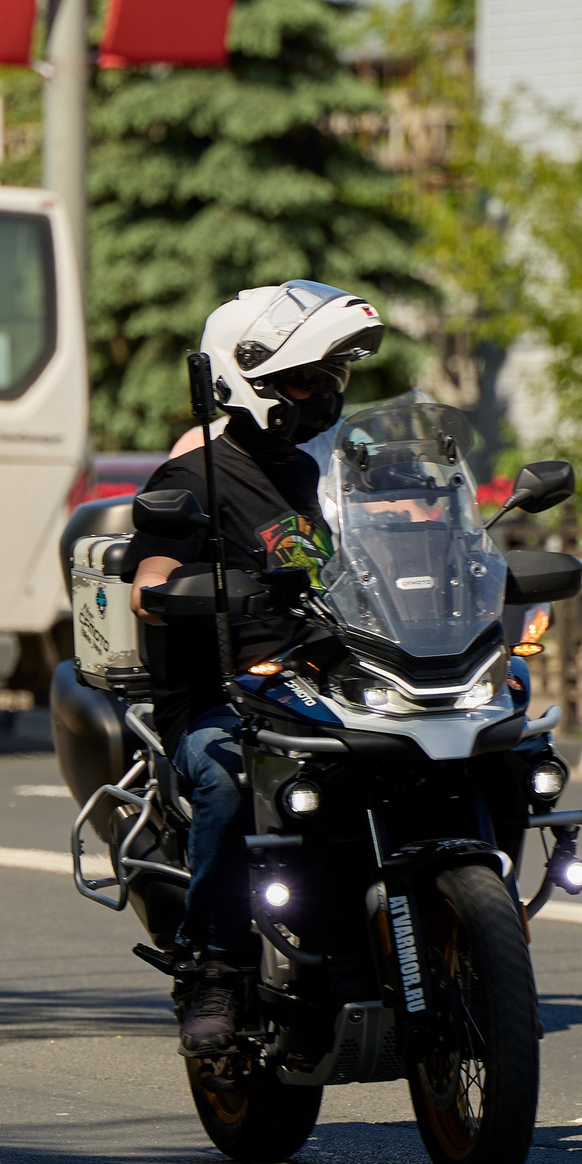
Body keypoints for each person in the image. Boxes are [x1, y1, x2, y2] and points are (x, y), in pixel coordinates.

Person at [123, 281, 385, 1054]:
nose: (320, 396)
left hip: (318, 687)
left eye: (330, 380)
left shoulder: (310, 475)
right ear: (249, 381)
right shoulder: (192, 474)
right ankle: (213, 968)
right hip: (225, 696)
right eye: (303, 380)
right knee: (230, 775)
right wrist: (163, 589)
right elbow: (153, 563)